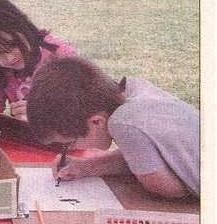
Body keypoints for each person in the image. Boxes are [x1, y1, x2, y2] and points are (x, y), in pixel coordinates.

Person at [26, 56, 199, 199]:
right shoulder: (135, 90)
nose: (69, 149)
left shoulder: (124, 123)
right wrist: (86, 167)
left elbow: (168, 189)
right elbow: (142, 158)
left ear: (96, 122)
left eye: (68, 143)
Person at [0, 0, 76, 120]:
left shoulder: (60, 55)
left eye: (12, 45)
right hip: (27, 138)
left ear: (23, 27)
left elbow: (88, 105)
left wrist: (44, 111)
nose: (9, 58)